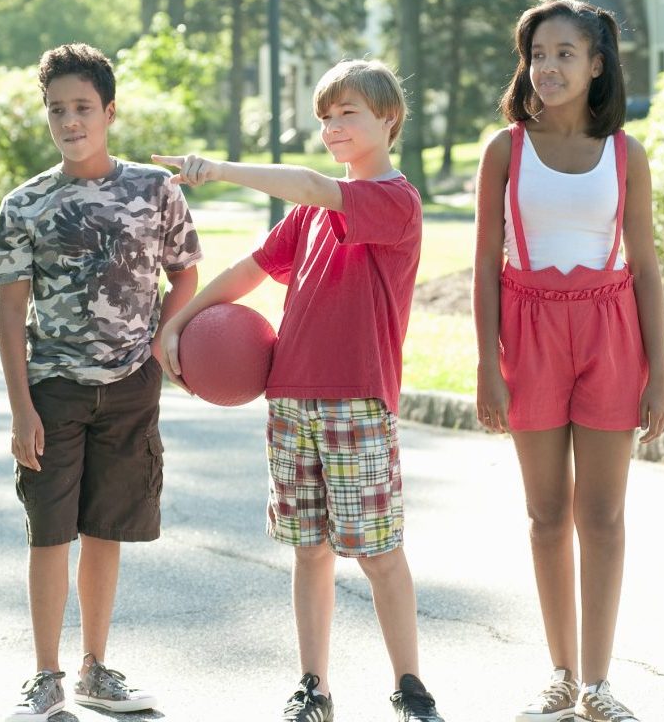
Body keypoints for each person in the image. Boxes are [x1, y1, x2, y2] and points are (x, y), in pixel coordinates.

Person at [152, 58, 446, 722]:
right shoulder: (309, 219)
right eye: (325, 117)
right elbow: (249, 268)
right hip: (290, 396)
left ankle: (411, 688)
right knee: (308, 548)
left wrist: (218, 169)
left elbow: (315, 186)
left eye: (350, 113)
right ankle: (313, 686)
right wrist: (180, 323)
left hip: (355, 399)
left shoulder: (393, 199)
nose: (334, 126)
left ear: (388, 119)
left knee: (376, 551)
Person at [472, 0, 664, 722]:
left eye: (565, 54)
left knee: (605, 518)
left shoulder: (626, 154)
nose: (548, 67)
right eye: (538, 54)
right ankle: (559, 674)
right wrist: (487, 364)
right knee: (547, 514)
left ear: (597, 65)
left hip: (611, 331)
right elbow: (485, 268)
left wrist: (661, 373)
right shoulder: (506, 150)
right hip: (528, 333)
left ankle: (598, 683)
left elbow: (646, 268)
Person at [0, 43, 201, 722]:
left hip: (131, 385)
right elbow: (9, 307)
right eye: (57, 109)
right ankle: (45, 675)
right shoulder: (25, 204)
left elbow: (186, 272)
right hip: (53, 389)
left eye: (82, 107)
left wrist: (164, 343)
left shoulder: (154, 189)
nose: (69, 120)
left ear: (109, 112)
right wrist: (21, 407)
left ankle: (94, 668)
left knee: (106, 528)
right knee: (49, 532)